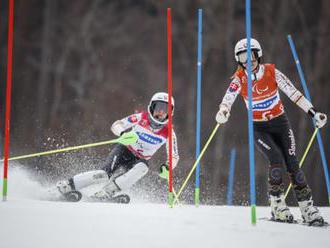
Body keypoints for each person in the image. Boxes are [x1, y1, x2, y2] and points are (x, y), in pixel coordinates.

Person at [215, 38, 327, 225]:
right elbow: (228, 97)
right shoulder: (239, 79)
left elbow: (293, 93)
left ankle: (308, 209)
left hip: (280, 123)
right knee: (276, 160)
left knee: (293, 164)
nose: (247, 61)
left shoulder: (271, 71)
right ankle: (277, 206)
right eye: (243, 57)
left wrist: (313, 113)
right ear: (238, 60)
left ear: (257, 55)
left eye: (250, 55)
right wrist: (223, 111)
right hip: (259, 128)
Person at [55, 92, 179, 203]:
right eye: (158, 107)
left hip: (138, 160)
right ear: (151, 107)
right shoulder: (141, 117)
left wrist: (168, 166)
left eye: (165, 109)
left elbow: (174, 156)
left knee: (143, 167)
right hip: (124, 150)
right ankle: (68, 185)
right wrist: (122, 133)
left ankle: (107, 192)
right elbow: (117, 124)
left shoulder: (169, 132)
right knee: (104, 174)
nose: (161, 112)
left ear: (170, 113)